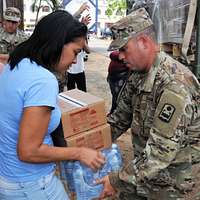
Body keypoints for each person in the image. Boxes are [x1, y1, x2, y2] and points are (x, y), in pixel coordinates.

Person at [0, 10, 105, 200]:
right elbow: (28, 151)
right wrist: (80, 152)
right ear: (58, 42)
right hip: (32, 185)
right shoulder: (43, 80)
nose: (74, 61)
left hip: (10, 178)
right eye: (75, 52)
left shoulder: (17, 63)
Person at [97, 8, 200, 200]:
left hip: (175, 186)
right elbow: (119, 119)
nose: (120, 56)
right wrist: (88, 144)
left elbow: (160, 153)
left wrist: (115, 181)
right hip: (145, 175)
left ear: (143, 42)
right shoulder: (138, 75)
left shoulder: (174, 85)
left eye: (123, 49)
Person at [66, 2, 91, 92]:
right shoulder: (68, 38)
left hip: (80, 71)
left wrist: (83, 36)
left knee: (83, 92)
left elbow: (88, 51)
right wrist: (80, 10)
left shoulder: (82, 39)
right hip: (69, 72)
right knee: (70, 92)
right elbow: (69, 24)